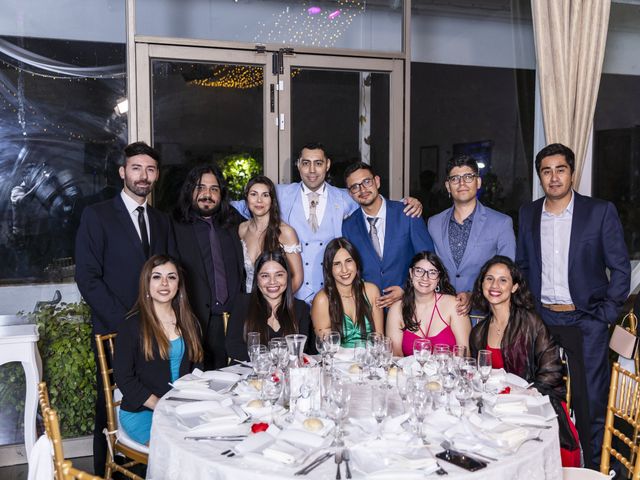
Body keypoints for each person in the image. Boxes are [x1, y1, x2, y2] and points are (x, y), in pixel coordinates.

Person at [516, 143, 630, 468]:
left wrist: (606, 314)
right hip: (543, 319)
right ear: (540, 176)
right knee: (540, 398)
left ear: (572, 172)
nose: (554, 177)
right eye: (546, 171)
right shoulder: (528, 213)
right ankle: (546, 466)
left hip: (587, 320)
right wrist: (527, 312)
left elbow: (621, 268)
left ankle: (594, 469)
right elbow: (522, 266)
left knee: (591, 400)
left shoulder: (598, 212)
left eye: (560, 169)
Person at [74, 141, 173, 475]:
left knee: (151, 394)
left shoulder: (161, 221)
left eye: (150, 169)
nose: (143, 176)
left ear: (156, 175)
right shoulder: (97, 215)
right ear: (122, 172)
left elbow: (166, 276)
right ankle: (107, 471)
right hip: (115, 327)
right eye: (136, 168)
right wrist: (129, 323)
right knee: (110, 404)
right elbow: (87, 278)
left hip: (157, 330)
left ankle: (152, 465)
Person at [232, 142, 423, 304]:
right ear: (298, 165)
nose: (312, 170)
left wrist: (407, 203)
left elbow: (372, 202)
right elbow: (244, 205)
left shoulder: (344, 197)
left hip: (333, 296)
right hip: (291, 296)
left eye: (318, 163)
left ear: (327, 165)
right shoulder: (280, 194)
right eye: (306, 163)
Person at [469, 256, 581, 467]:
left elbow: (552, 372)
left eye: (503, 280)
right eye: (489, 279)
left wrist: (521, 394)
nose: (495, 286)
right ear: (481, 284)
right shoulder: (478, 333)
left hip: (537, 410)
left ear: (514, 287)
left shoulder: (531, 323)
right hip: (497, 415)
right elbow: (479, 378)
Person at [114, 255, 203, 445]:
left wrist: (189, 403)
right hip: (142, 412)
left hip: (180, 408)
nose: (164, 283)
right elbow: (124, 377)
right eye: (156, 277)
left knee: (208, 444)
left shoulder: (189, 321)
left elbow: (198, 367)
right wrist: (162, 405)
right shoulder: (131, 325)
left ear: (178, 285)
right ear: (146, 284)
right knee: (175, 450)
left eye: (171, 277)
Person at [172, 164, 245, 370]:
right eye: (200, 187)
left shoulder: (233, 222)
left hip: (234, 320)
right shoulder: (174, 226)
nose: (207, 194)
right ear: (190, 191)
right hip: (196, 321)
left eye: (214, 189)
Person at [428, 154, 515, 315]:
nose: (462, 183)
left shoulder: (501, 223)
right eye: (455, 178)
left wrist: (473, 296)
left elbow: (507, 275)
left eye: (468, 177)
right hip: (442, 315)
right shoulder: (433, 223)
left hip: (483, 316)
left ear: (478, 182)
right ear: (448, 186)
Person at [342, 162, 434, 309]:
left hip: (408, 305)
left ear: (377, 181)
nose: (362, 189)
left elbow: (428, 258)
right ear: (350, 193)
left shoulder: (407, 213)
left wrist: (406, 288)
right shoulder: (348, 226)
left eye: (366, 181)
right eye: (355, 186)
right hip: (370, 309)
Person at [225, 250, 311, 361]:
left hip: (286, 375)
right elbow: (233, 348)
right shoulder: (243, 303)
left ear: (288, 276)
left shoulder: (300, 308)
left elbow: (303, 349)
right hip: (250, 374)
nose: (272, 282)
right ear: (257, 279)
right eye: (265, 276)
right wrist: (271, 358)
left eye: (279, 275)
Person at [386, 252, 471, 356]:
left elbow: (464, 354)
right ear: (411, 273)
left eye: (432, 272)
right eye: (419, 271)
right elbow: (396, 356)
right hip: (409, 372)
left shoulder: (454, 305)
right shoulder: (396, 309)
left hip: (448, 371)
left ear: (438, 278)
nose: (425, 278)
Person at [311, 237, 384, 347]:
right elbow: (327, 349)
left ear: (356, 263)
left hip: (369, 361)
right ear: (329, 268)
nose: (344, 270)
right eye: (337, 264)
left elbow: (379, 339)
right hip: (337, 362)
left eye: (348, 261)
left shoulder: (372, 291)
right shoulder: (322, 300)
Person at [238, 175, 303, 293]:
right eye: (254, 194)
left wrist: (277, 303)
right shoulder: (242, 229)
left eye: (265, 195)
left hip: (275, 305)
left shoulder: (285, 232)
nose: (259, 200)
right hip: (247, 302)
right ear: (246, 198)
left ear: (272, 200)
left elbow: (297, 278)